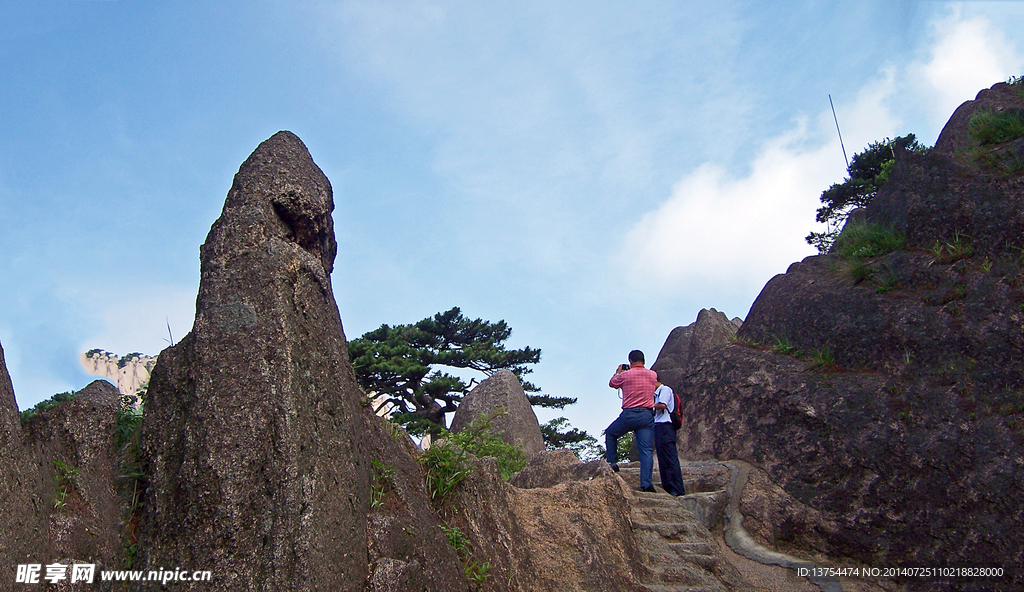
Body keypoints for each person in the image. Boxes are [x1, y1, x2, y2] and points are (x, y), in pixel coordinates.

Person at [606, 350, 657, 492]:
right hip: (646, 415)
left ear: (630, 361)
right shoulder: (653, 375)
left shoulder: (625, 375)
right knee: (646, 451)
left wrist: (618, 372)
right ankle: (647, 484)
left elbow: (612, 383)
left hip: (629, 414)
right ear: (644, 361)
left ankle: (612, 463)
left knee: (611, 433)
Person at [653, 381, 686, 496]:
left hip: (666, 425)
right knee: (662, 458)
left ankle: (676, 488)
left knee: (670, 457)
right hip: (658, 426)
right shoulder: (655, 394)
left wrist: (647, 405)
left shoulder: (665, 389)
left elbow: (662, 405)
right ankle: (668, 486)